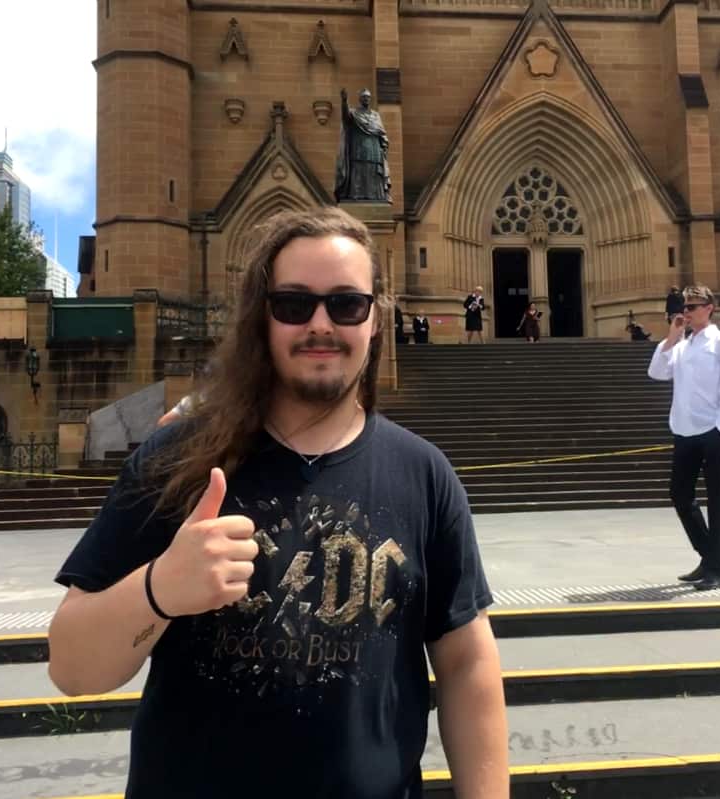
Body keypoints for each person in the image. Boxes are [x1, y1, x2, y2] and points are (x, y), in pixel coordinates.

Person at [46, 207, 508, 798]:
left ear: (375, 320)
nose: (320, 324)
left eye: (346, 304)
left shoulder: (424, 475)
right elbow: (72, 669)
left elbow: (467, 663)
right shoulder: (179, 459)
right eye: (293, 304)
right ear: (261, 317)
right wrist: (160, 587)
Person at [648, 285, 720, 591]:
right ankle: (708, 555)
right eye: (683, 307)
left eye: (692, 306)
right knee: (679, 494)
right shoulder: (682, 346)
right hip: (684, 429)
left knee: (717, 498)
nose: (685, 312)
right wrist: (672, 335)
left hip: (711, 430)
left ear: (709, 308)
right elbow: (656, 372)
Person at [334, 88, 390, 203]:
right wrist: (344, 101)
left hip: (374, 151)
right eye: (364, 97)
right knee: (358, 172)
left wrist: (383, 146)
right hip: (358, 149)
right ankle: (356, 196)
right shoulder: (354, 113)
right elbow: (345, 117)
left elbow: (381, 132)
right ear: (360, 99)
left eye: (368, 97)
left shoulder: (376, 115)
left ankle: (376, 197)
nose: (366, 99)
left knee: (373, 174)